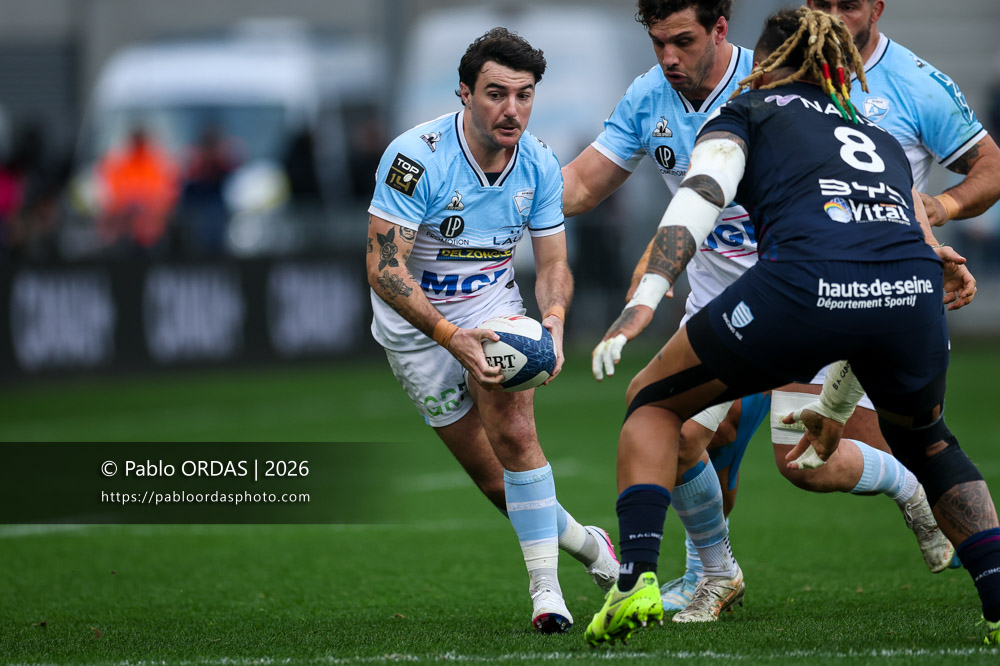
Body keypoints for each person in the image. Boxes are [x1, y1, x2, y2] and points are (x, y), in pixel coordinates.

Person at [582, 7, 996, 646]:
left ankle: (635, 575)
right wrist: (937, 258)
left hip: (796, 297)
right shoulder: (877, 134)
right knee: (931, 441)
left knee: (652, 405)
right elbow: (896, 220)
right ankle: (995, 597)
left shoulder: (749, 108)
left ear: (764, 62)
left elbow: (701, 194)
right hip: (905, 293)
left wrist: (643, 302)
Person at [365, 27, 618, 634]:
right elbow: (382, 265)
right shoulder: (415, 157)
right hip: (416, 326)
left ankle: (546, 595)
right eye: (496, 93)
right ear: (464, 93)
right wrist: (450, 339)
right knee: (493, 481)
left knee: (516, 435)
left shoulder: (539, 164)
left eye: (524, 95)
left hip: (494, 311)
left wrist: (553, 324)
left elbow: (554, 264)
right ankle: (589, 545)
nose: (512, 110)